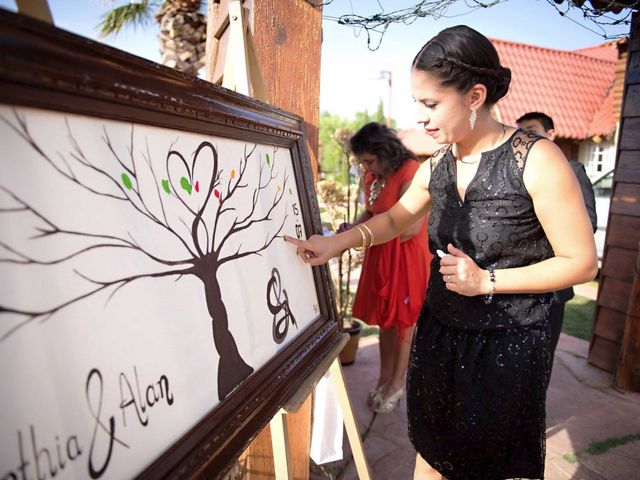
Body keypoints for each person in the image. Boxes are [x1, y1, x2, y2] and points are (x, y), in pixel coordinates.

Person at [286, 25, 597, 480]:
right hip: (440, 334)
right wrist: (334, 244)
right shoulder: (438, 164)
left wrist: (487, 281)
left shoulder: (536, 159)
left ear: (474, 96)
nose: (422, 117)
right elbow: (395, 219)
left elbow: (581, 262)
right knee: (432, 450)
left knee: (489, 463)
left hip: (505, 344)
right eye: (418, 104)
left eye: (431, 104)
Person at [343, 122, 431, 413]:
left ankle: (397, 383)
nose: (366, 168)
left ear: (384, 151)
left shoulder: (410, 171)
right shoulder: (372, 175)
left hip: (405, 255)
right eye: (363, 162)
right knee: (385, 317)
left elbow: (410, 227)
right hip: (381, 250)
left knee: (404, 319)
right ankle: (384, 377)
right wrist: (348, 232)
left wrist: (362, 234)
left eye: (369, 160)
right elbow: (371, 211)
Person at [516, 111, 598, 380]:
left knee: (540, 359)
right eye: (521, 132)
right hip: (514, 283)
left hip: (553, 284)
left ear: (550, 134)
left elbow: (589, 222)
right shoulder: (516, 173)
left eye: (532, 130)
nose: (525, 137)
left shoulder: (573, 170)